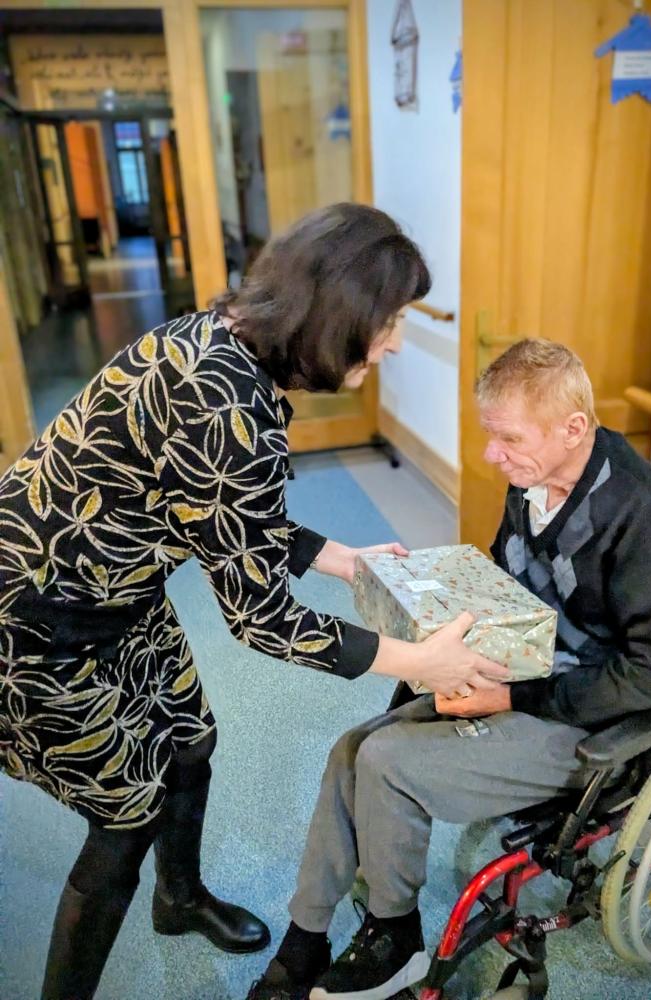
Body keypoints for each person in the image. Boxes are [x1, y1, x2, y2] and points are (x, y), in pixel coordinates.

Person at [0, 203, 509, 1000]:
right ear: (339, 315)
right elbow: (261, 619)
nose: (396, 344)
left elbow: (225, 513)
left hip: (118, 592)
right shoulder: (227, 406)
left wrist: (343, 559)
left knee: (188, 741)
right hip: (38, 623)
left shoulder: (219, 341)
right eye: (389, 323)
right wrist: (420, 659)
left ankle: (178, 900)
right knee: (125, 816)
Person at [246, 338, 651, 1000]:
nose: (492, 454)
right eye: (491, 435)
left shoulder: (649, 513)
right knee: (351, 749)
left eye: (508, 437)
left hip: (587, 719)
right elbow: (501, 584)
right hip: (513, 672)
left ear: (574, 428)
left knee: (388, 763)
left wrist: (512, 697)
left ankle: (395, 935)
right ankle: (306, 934)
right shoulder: (534, 481)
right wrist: (427, 629)